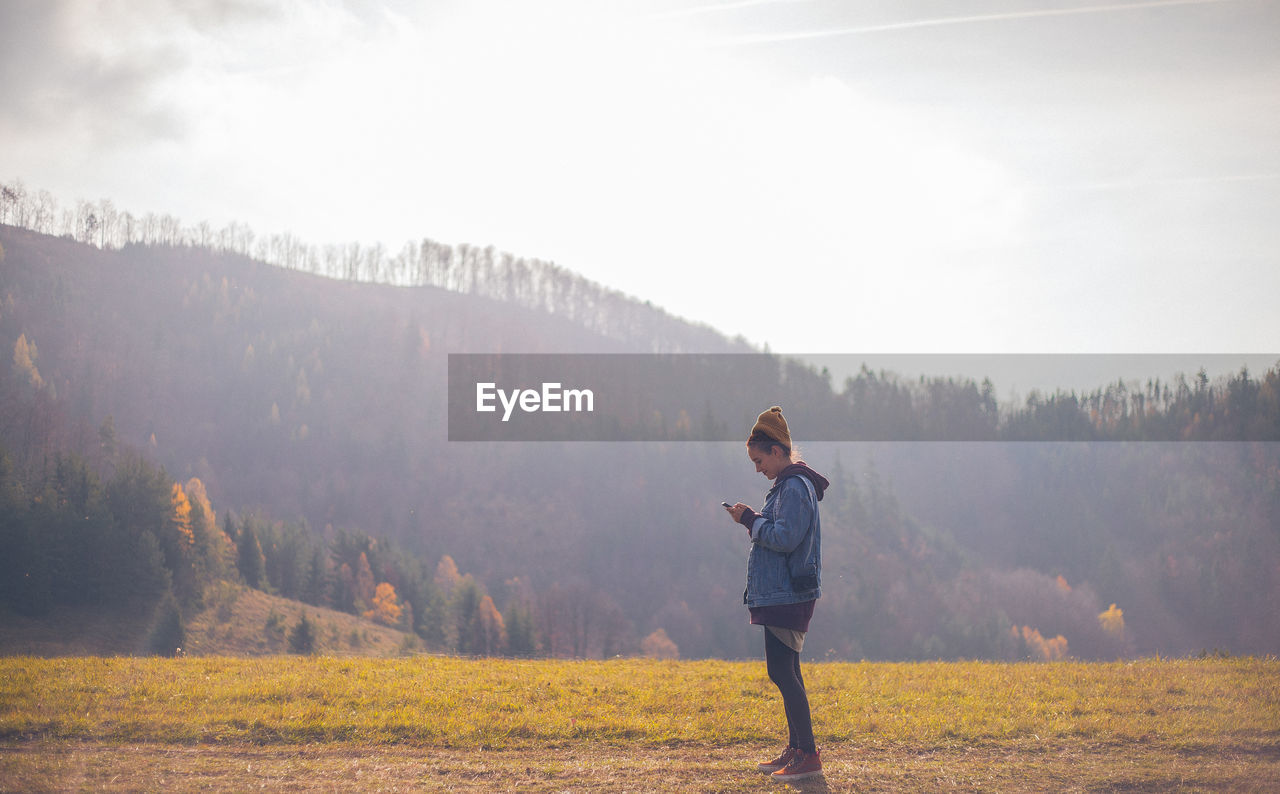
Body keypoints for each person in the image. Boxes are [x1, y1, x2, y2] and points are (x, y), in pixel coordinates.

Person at [725, 405, 828, 782]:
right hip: (782, 594)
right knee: (787, 671)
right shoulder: (788, 487)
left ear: (777, 450)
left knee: (782, 672)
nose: (757, 468)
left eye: (759, 459)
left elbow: (785, 537)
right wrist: (752, 518)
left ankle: (807, 754)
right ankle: (799, 750)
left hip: (789, 594)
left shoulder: (795, 488)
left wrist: (751, 520)